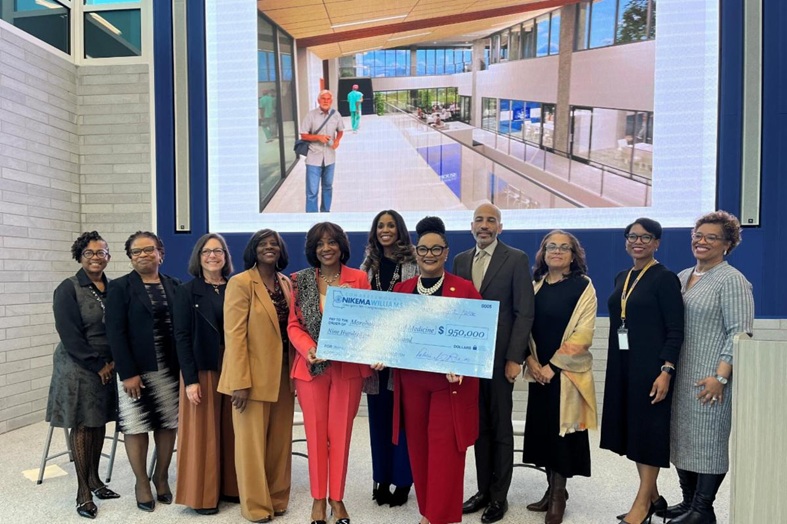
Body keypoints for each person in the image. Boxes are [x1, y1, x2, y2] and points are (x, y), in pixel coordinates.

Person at [665, 211, 754, 524]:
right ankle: (689, 502)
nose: (702, 241)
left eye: (712, 237)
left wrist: (720, 377)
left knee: (709, 441)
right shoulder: (682, 276)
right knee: (683, 439)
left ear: (727, 244)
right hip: (681, 375)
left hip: (711, 377)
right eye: (698, 235)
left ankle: (703, 509)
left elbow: (740, 333)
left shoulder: (732, 280)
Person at [393, 216, 481, 524]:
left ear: (446, 253)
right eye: (423, 249)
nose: (429, 254)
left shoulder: (465, 289)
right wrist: (381, 353)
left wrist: (464, 363)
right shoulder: (402, 290)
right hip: (412, 382)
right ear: (415, 252)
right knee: (418, 449)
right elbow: (391, 334)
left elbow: (480, 336)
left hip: (449, 384)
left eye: (436, 249)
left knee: (446, 450)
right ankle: (428, 512)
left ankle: (438, 517)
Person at [453, 203, 534, 524]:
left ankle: (500, 497)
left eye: (491, 220)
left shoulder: (516, 259)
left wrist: (515, 358)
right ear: (471, 226)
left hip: (501, 361)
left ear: (500, 227)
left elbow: (524, 312)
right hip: (470, 360)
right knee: (479, 428)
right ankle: (483, 490)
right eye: (479, 220)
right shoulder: (460, 261)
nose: (484, 225)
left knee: (500, 428)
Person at [600, 218, 685, 524]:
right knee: (634, 432)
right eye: (632, 236)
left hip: (652, 367)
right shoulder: (622, 276)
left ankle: (642, 504)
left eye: (646, 237)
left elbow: (676, 329)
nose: (638, 242)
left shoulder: (665, 278)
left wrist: (666, 369)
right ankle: (654, 497)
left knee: (648, 433)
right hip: (623, 364)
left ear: (656, 243)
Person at [288, 222, 373, 524]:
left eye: (332, 242)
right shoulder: (299, 280)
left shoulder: (358, 278)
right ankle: (317, 499)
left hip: (347, 369)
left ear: (341, 246)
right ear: (313, 249)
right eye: (320, 243)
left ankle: (336, 497)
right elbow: (293, 325)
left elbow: (369, 321)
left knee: (340, 436)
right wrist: (308, 348)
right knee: (315, 435)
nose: (326, 248)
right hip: (312, 368)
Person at [218, 229, 296, 523]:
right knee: (250, 447)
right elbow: (234, 335)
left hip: (283, 377)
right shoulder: (240, 283)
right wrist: (239, 381)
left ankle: (277, 499)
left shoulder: (286, 283)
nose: (269, 247)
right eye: (263, 244)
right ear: (254, 249)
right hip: (250, 379)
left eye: (274, 244)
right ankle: (255, 507)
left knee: (279, 444)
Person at [522, 230, 598, 524]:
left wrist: (552, 367)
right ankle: (551, 489)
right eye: (551, 246)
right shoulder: (536, 286)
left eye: (564, 247)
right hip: (539, 373)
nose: (557, 251)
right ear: (543, 253)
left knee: (562, 438)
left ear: (573, 255)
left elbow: (584, 333)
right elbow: (524, 327)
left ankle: (558, 496)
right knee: (544, 435)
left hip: (566, 376)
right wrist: (531, 361)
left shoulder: (583, 286)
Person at [46, 231, 119, 519]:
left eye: (102, 252)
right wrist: (97, 364)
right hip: (78, 366)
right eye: (89, 252)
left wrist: (113, 361)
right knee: (84, 425)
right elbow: (69, 334)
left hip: (107, 364)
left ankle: (96, 480)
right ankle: (83, 492)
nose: (96, 257)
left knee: (98, 422)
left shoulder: (112, 288)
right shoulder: (68, 288)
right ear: (79, 256)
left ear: (108, 256)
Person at [105, 231, 180, 513]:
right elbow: (115, 333)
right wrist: (128, 373)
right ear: (130, 258)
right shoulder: (120, 287)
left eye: (149, 249)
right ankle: (141, 482)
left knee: (167, 424)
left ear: (161, 253)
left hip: (168, 369)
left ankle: (161, 476)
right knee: (135, 425)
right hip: (135, 370)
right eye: (136, 252)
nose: (143, 255)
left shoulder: (174, 285)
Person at [173, 233, 238, 515]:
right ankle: (202, 496)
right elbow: (181, 337)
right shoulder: (186, 291)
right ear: (198, 257)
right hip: (202, 368)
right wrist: (190, 380)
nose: (213, 256)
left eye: (218, 251)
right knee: (203, 433)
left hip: (233, 364)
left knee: (233, 428)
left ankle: (231, 487)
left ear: (225, 256)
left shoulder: (236, 287)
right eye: (206, 251)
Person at [359, 210, 418, 507]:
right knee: (379, 420)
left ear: (400, 230)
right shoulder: (366, 266)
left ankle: (403, 481)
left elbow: (421, 308)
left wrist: (396, 346)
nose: (385, 230)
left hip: (404, 356)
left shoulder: (414, 263)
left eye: (391, 225)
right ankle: (381, 478)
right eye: (380, 226)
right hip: (374, 358)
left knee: (403, 421)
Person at [300, 90, 344, 213]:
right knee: (312, 191)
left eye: (328, 99)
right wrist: (318, 137)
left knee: (328, 187)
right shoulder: (311, 115)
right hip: (313, 158)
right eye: (323, 99)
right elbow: (303, 135)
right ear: (318, 100)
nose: (326, 101)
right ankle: (312, 217)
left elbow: (340, 130)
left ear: (331, 101)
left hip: (330, 158)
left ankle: (325, 213)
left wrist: (337, 141)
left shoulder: (336, 115)